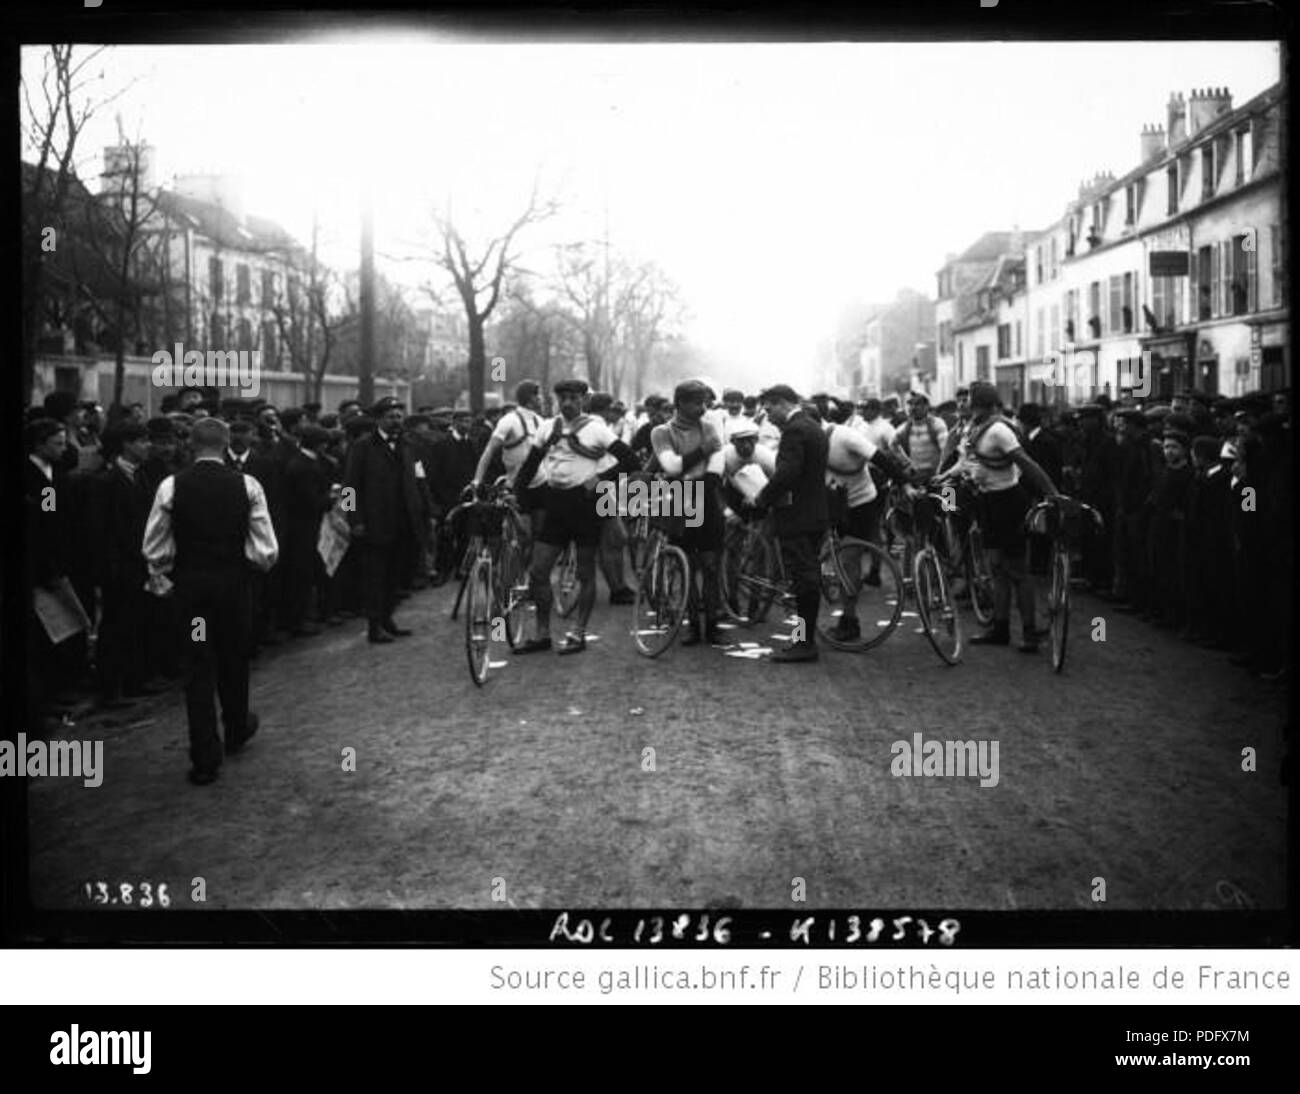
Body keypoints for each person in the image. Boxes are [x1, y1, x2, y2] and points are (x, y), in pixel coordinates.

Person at [142, 418, 279, 785]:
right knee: (234, 657)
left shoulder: (171, 486)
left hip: (194, 594)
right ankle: (236, 727)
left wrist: (167, 579)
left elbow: (154, 547)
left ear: (192, 445)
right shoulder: (247, 485)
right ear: (224, 444)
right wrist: (245, 566)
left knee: (199, 665)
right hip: (233, 590)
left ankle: (205, 756)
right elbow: (266, 549)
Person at [511, 379, 641, 655]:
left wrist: (601, 479)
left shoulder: (596, 429)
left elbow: (631, 461)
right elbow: (529, 466)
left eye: (573, 397)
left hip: (586, 505)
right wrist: (517, 497)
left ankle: (578, 633)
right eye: (563, 398)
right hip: (555, 504)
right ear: (557, 400)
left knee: (585, 572)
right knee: (538, 571)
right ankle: (542, 634)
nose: (567, 403)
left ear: (583, 399)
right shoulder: (548, 427)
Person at [938, 380, 1059, 652]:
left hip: (1009, 502)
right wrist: (943, 477)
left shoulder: (999, 431)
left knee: (1017, 570)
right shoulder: (974, 428)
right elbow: (966, 461)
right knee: (996, 566)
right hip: (987, 502)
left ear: (984, 404)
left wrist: (1051, 493)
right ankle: (1000, 627)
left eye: (971, 400)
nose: (967, 404)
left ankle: (1029, 633)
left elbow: (1026, 463)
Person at [342, 397, 429, 644]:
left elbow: (419, 480)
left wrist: (426, 511)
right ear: (379, 419)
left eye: (399, 416)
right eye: (391, 416)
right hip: (375, 523)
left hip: (404, 522)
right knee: (375, 577)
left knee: (396, 575)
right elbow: (349, 487)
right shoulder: (363, 446)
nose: (396, 420)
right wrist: (354, 519)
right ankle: (374, 625)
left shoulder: (408, 445)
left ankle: (388, 618)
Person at [755, 384, 829, 662]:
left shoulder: (795, 431)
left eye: (769, 407)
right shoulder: (813, 426)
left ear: (784, 403)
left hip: (797, 516)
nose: (767, 414)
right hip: (815, 514)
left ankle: (804, 643)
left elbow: (787, 474)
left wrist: (762, 497)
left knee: (803, 582)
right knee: (806, 580)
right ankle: (802, 639)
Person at [650, 380, 727, 644]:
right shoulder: (662, 432)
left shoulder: (709, 427)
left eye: (705, 402)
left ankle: (713, 625)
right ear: (680, 403)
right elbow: (670, 466)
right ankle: (694, 624)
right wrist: (703, 452)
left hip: (704, 495)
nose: (703, 408)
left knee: (711, 564)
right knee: (688, 566)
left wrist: (694, 474)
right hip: (679, 499)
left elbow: (717, 465)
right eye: (697, 402)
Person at [892, 391, 949, 478]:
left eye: (917, 404)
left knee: (948, 491)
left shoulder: (937, 424)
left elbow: (945, 450)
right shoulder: (904, 428)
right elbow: (892, 444)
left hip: (936, 474)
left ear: (926, 406)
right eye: (910, 404)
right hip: (916, 476)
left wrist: (941, 470)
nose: (913, 408)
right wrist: (906, 463)